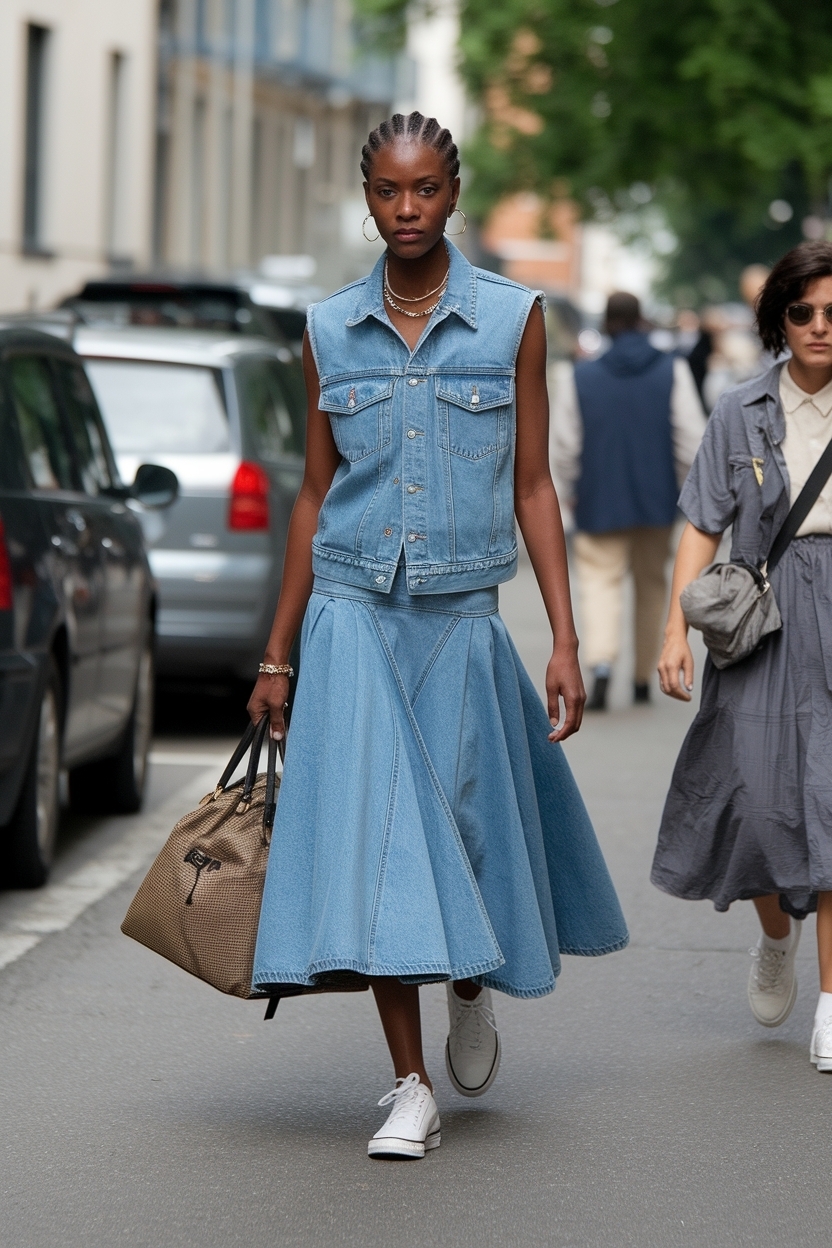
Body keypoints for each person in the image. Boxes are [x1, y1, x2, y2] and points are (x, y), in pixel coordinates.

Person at [246, 111, 628, 1159]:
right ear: (364, 195)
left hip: (460, 620)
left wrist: (563, 637)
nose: (404, 210)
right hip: (352, 615)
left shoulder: (512, 319)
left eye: (422, 190)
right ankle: (407, 1083)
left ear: (453, 192)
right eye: (384, 191)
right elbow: (314, 497)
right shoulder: (327, 329)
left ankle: (469, 979)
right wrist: (277, 653)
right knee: (382, 846)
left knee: (457, 833)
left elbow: (536, 486)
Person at [653, 240, 832, 1073]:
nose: (820, 327)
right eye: (804, 312)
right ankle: (774, 935)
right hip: (764, 619)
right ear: (779, 320)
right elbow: (701, 521)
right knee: (758, 803)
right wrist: (671, 630)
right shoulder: (741, 408)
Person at [550, 293, 706, 710]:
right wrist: (685, 490)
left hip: (598, 499)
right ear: (640, 321)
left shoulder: (580, 376)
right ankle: (642, 676)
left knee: (600, 582)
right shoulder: (671, 369)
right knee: (653, 584)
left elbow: (565, 445)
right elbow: (690, 440)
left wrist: (568, 490)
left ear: (605, 323)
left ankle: (601, 663)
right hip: (657, 501)